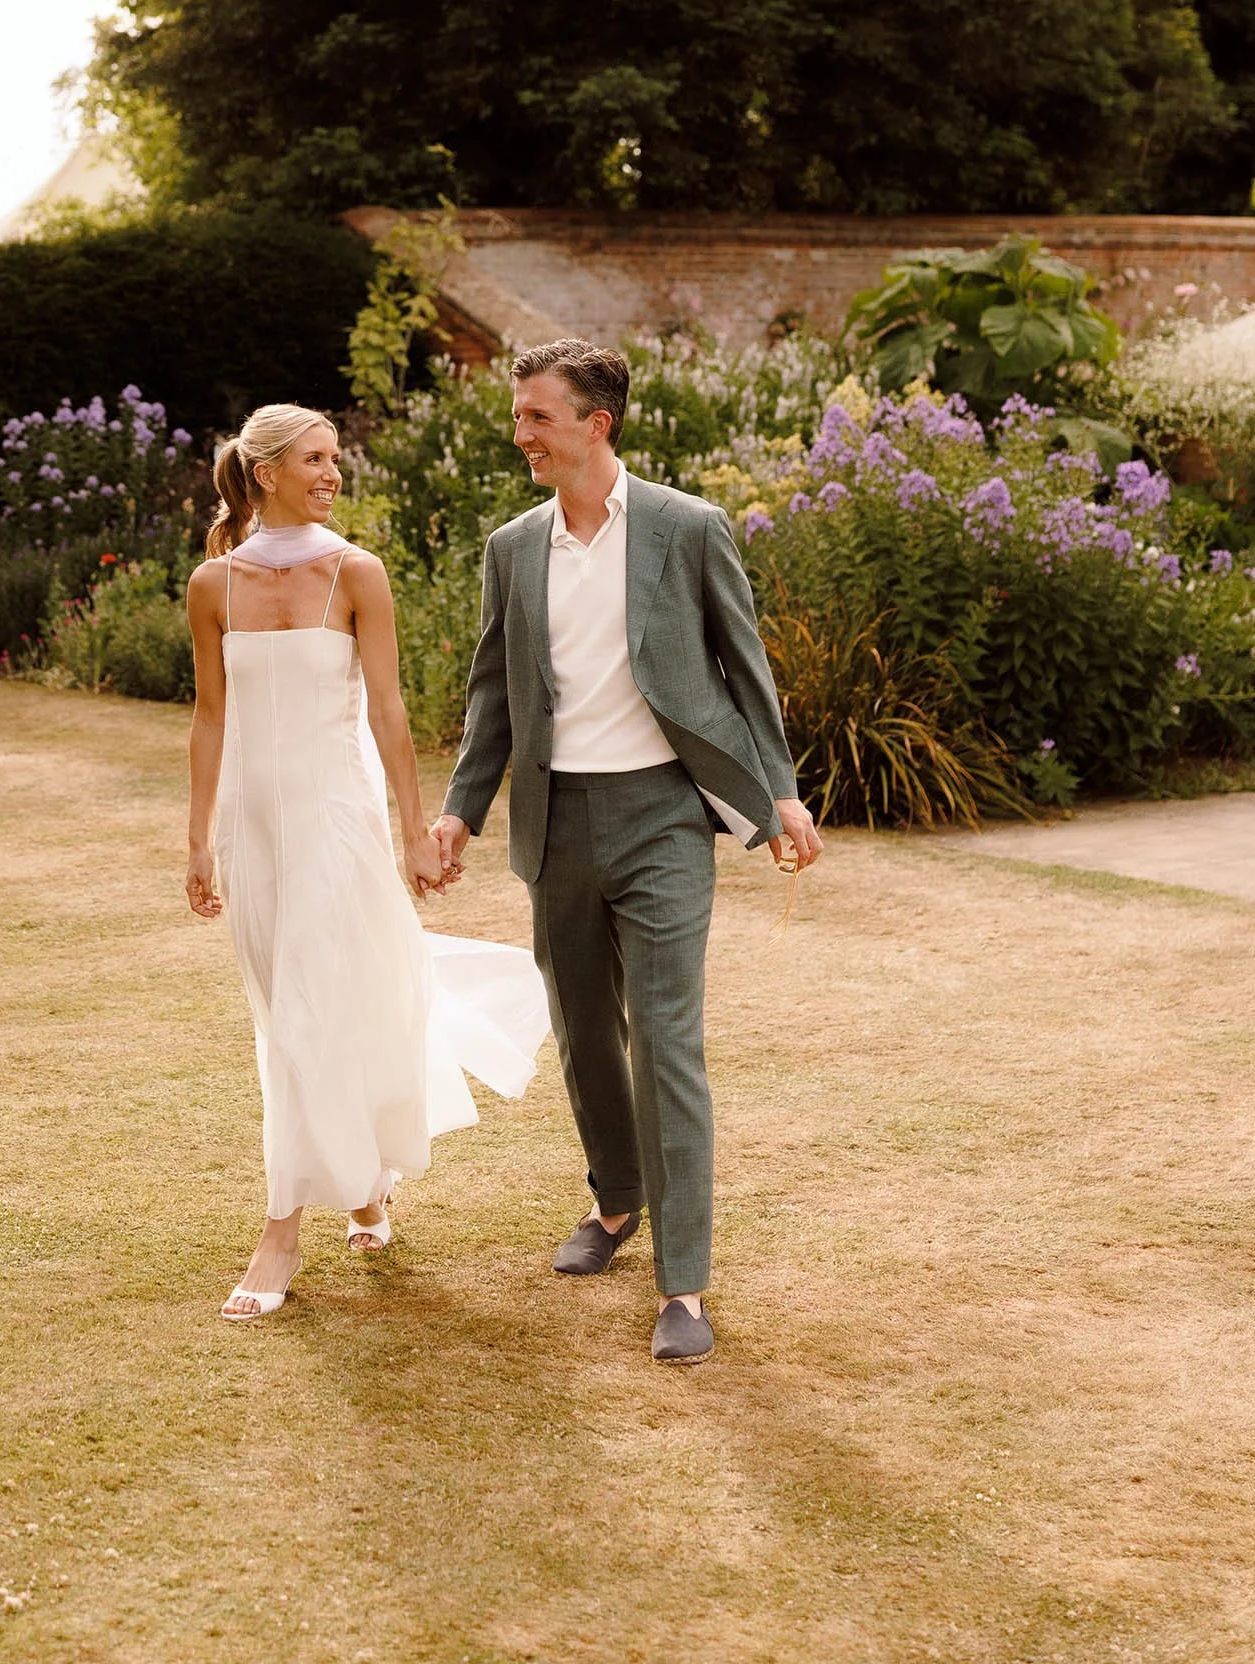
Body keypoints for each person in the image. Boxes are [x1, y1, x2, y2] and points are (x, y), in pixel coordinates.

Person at [430, 339, 823, 1364]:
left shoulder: (686, 530)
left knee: (665, 1037)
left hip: (660, 819)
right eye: (518, 416)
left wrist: (778, 795)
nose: (519, 434)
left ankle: (682, 1284)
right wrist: (458, 813)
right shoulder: (512, 548)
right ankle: (614, 1201)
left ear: (594, 425)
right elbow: (492, 695)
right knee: (581, 1028)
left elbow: (744, 672)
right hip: (556, 822)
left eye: (535, 418)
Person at [185, 401, 549, 1323]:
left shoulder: (357, 573)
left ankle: (279, 1229)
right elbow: (209, 717)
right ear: (264, 472)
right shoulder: (211, 586)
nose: (331, 473)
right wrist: (198, 839)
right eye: (313, 458)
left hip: (336, 824)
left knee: (311, 1003)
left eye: (334, 458)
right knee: (287, 1009)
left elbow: (388, 712)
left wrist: (415, 830)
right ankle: (363, 1189)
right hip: (252, 831)